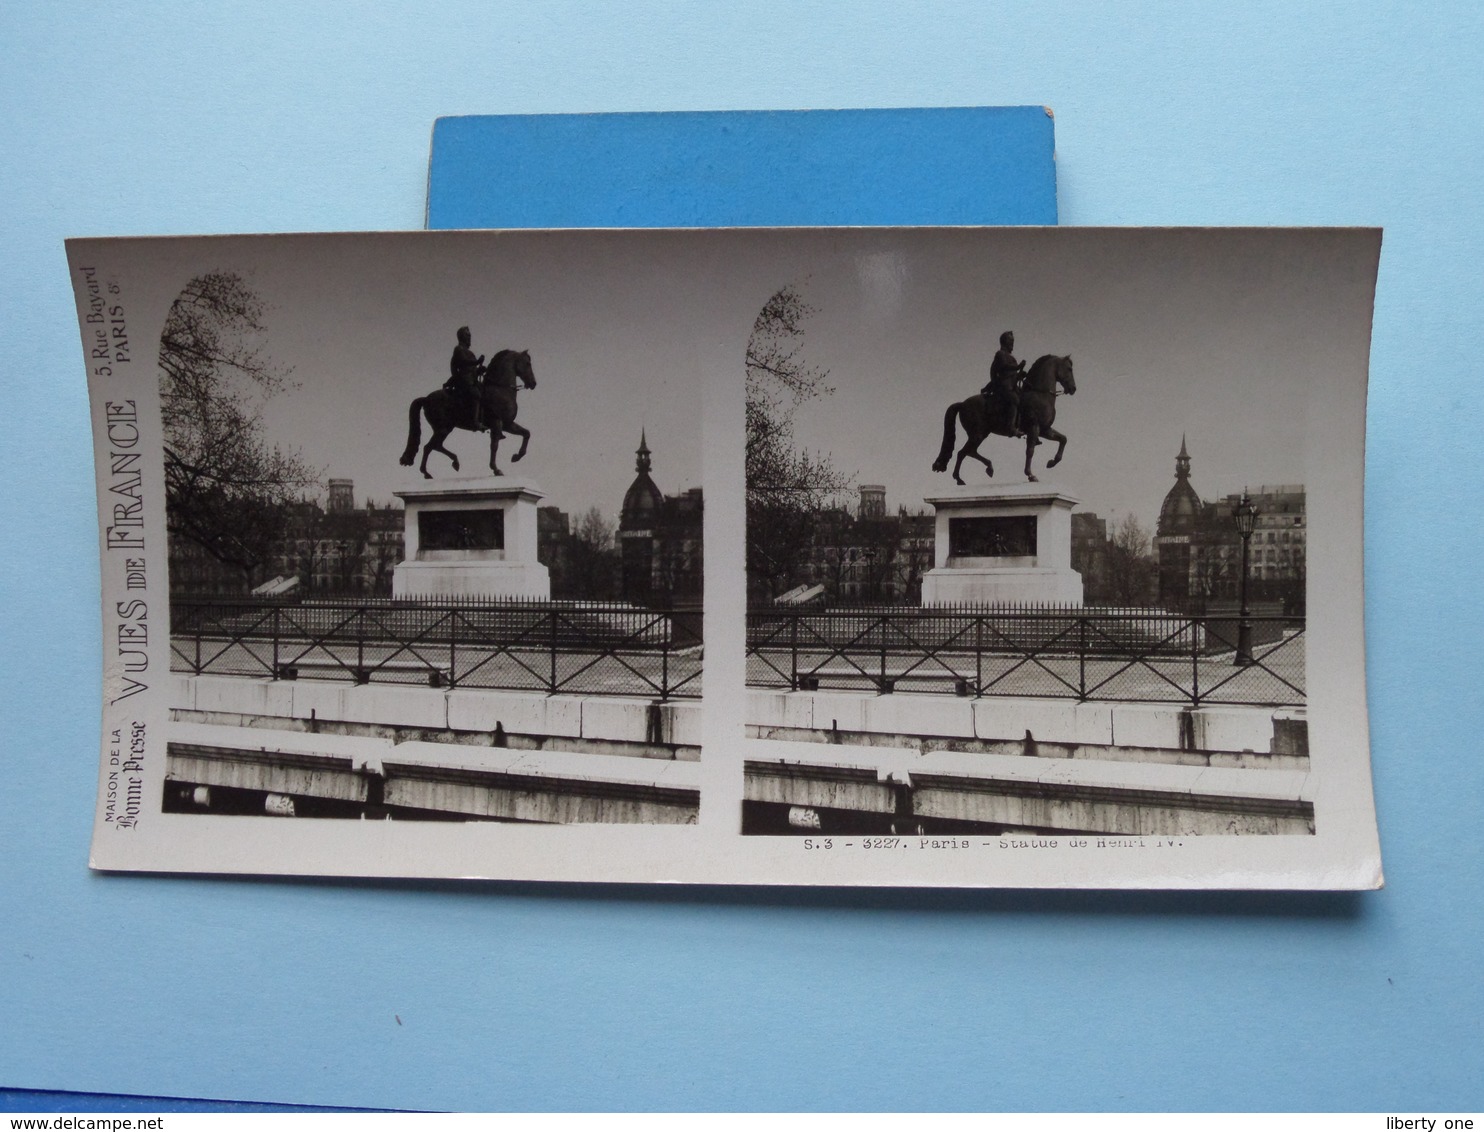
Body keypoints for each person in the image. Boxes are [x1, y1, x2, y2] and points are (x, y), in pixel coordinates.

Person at [981, 330, 1026, 436]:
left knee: (1026, 399)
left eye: (1013, 341)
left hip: (1012, 385)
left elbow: (1012, 374)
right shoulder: (1000, 354)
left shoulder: (1012, 357)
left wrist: (1020, 375)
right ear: (1005, 342)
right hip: (1003, 386)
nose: (1012, 344)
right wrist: (1018, 367)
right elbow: (1004, 367)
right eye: (1010, 341)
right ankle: (1011, 428)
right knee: (1014, 400)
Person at [445, 326, 488, 430]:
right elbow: (463, 363)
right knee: (476, 394)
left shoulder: (471, 353)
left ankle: (485, 418)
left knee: (487, 392)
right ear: (461, 337)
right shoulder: (458, 349)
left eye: (470, 336)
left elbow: (472, 370)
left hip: (472, 380)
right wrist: (477, 362)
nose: (469, 338)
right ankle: (474, 422)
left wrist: (479, 370)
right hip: (463, 381)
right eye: (467, 335)